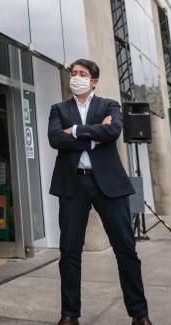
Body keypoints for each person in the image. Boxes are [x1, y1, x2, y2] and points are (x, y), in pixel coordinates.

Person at [48, 59, 151, 325]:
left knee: (125, 249)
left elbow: (114, 130)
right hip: (73, 185)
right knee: (69, 250)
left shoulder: (109, 105)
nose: (76, 77)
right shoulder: (59, 108)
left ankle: (139, 314)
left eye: (82, 74)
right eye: (74, 73)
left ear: (93, 81)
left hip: (109, 186)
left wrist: (77, 131)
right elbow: (55, 139)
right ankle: (69, 314)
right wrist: (95, 135)